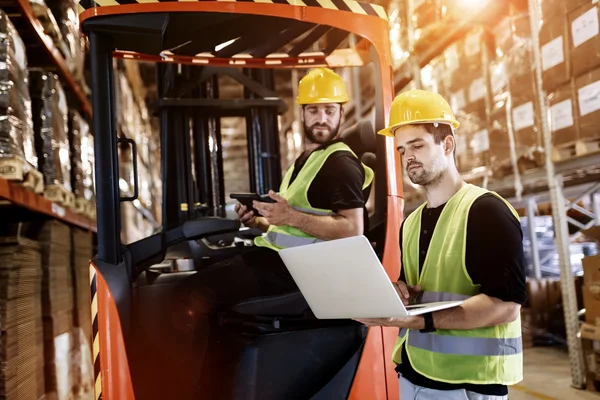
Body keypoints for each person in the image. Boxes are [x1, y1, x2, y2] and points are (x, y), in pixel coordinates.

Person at [356, 89, 527, 400]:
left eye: (417, 145)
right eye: (402, 149)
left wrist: (413, 319)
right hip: (415, 374)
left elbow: (506, 306)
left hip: (468, 386)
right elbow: (422, 290)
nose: (408, 157)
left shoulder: (486, 211)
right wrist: (398, 293)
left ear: (447, 144)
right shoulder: (411, 222)